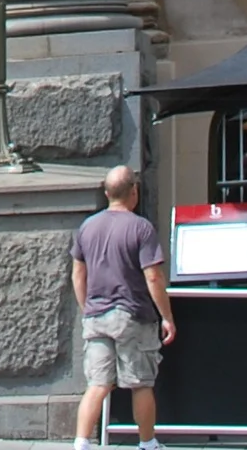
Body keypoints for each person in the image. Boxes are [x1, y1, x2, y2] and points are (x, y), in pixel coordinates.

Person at [72, 165, 174, 450]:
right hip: (133, 315)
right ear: (134, 192)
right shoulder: (141, 227)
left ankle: (81, 443)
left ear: (106, 194)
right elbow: (153, 276)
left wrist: (87, 309)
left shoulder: (87, 227)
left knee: (98, 384)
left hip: (95, 316)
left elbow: (78, 275)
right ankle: (147, 443)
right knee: (140, 383)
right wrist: (167, 317)